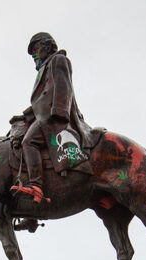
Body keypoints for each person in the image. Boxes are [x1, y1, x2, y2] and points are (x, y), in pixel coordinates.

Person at [10, 32, 91, 203]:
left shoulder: (58, 60)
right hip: (44, 115)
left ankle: (36, 185)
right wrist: (24, 117)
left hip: (53, 116)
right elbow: (42, 101)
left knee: (28, 142)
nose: (34, 54)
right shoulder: (45, 68)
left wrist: (59, 113)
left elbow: (63, 87)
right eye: (32, 51)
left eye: (36, 49)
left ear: (48, 46)